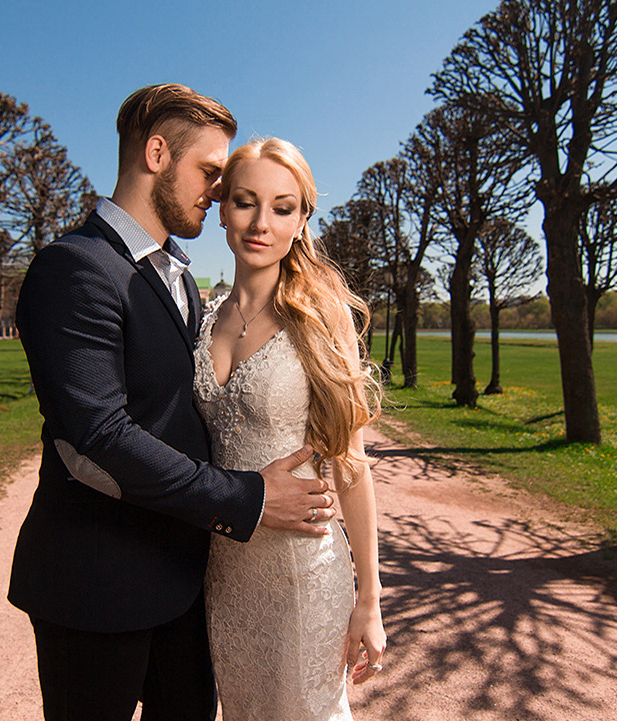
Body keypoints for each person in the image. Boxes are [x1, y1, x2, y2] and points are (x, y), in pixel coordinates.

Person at [10, 84, 337, 721]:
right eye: (210, 172)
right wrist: (245, 497)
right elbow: (97, 439)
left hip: (186, 580)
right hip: (96, 585)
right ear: (157, 153)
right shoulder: (74, 267)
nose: (218, 191)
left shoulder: (180, 275)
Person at [194, 137, 386, 720]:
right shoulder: (202, 318)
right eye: (246, 202)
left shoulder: (319, 317)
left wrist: (370, 599)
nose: (261, 223)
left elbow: (351, 466)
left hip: (304, 574)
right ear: (223, 206)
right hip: (223, 574)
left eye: (282, 207)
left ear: (302, 220)